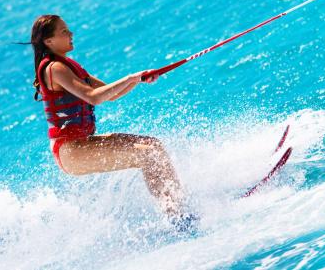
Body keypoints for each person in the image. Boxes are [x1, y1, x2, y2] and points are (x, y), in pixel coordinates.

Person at [26, 14, 197, 231]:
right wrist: (130, 78)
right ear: (48, 41)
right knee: (148, 154)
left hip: (80, 145)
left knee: (153, 145)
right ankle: (178, 219)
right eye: (64, 32)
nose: (70, 34)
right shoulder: (54, 68)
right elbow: (94, 97)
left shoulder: (67, 65)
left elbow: (111, 94)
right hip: (71, 152)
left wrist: (139, 78)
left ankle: (181, 210)